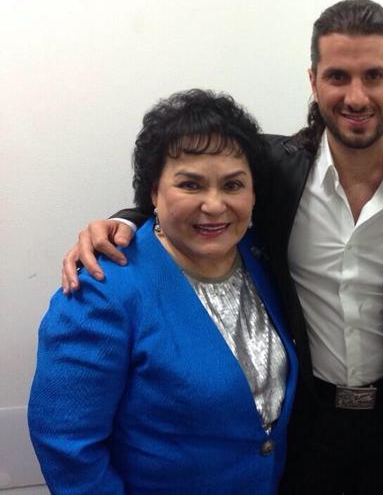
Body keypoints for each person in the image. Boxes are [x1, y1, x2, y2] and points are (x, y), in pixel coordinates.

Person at [59, 0, 383, 494]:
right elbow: (199, 192)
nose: (356, 96)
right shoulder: (272, 168)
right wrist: (121, 221)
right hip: (302, 421)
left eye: (373, 76)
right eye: (337, 76)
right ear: (314, 82)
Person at [29, 89, 298, 494]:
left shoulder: (262, 256)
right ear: (154, 191)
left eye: (232, 185)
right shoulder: (100, 292)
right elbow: (67, 446)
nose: (214, 205)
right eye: (190, 184)